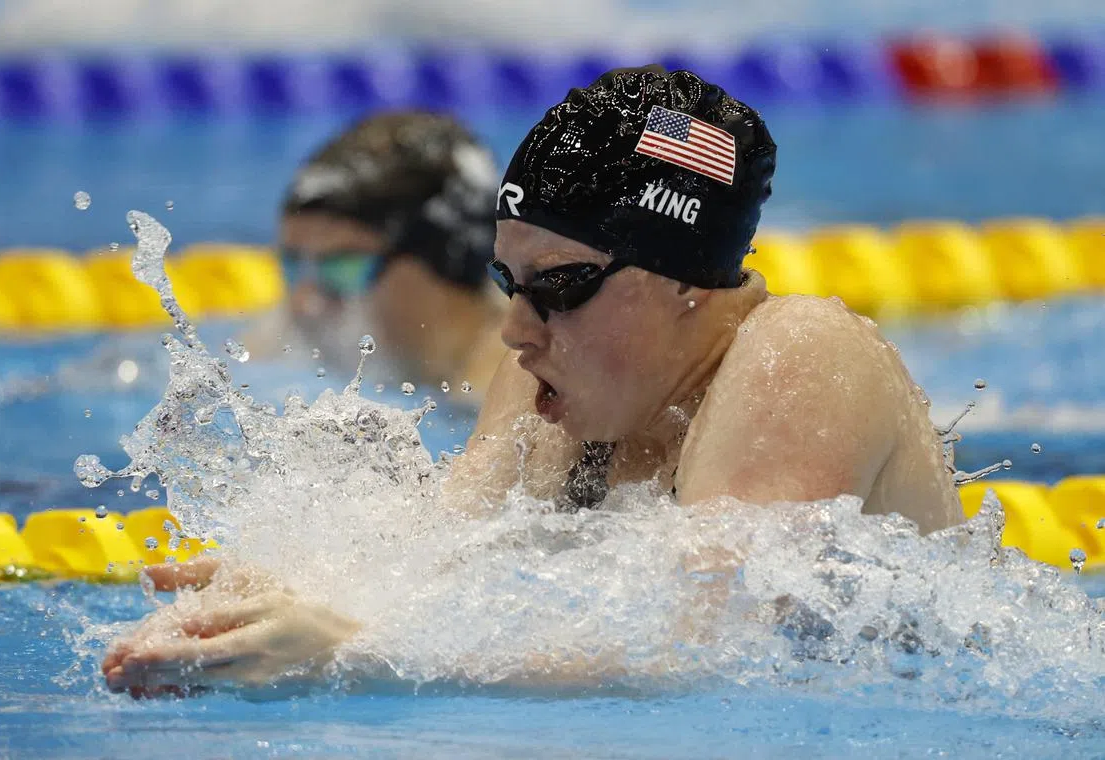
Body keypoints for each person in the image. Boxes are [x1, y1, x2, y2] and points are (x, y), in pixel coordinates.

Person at [102, 66, 963, 697]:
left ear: (686, 284)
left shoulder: (800, 354)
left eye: (560, 286)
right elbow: (441, 553)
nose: (514, 330)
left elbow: (701, 648)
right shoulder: (555, 383)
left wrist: (353, 647)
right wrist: (296, 595)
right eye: (510, 283)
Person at [244, 110, 508, 401]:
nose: (305, 304)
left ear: (450, 263)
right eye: (293, 264)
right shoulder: (279, 335)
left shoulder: (512, 390)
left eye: (343, 267)